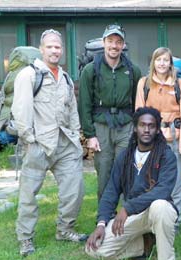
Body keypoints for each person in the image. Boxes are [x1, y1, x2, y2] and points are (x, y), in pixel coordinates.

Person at [12, 29, 87, 256]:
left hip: (64, 143)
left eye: (58, 47)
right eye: (50, 47)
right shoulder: (29, 74)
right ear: (42, 49)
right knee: (29, 194)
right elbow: (21, 108)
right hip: (38, 144)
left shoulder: (64, 77)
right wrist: (28, 137)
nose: (55, 50)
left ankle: (65, 229)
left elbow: (72, 108)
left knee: (75, 188)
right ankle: (25, 239)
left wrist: (76, 134)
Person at [85, 107, 178, 260]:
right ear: (135, 127)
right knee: (94, 249)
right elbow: (111, 191)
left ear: (158, 130)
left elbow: (163, 191)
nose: (147, 129)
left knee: (160, 206)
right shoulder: (125, 157)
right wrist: (101, 223)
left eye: (151, 126)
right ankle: (145, 244)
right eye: (142, 125)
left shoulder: (166, 155)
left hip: (156, 212)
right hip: (134, 216)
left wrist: (127, 208)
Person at [78, 24, 141, 201]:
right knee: (104, 172)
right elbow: (84, 104)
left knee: (127, 170)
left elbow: (138, 102)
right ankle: (105, 218)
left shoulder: (133, 70)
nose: (114, 46)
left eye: (118, 42)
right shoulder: (91, 70)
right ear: (104, 42)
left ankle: (129, 218)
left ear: (123, 45)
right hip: (101, 127)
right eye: (111, 41)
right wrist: (90, 134)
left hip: (125, 126)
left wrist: (136, 129)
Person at [135, 47, 181, 231]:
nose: (162, 63)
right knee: (150, 179)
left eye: (165, 60)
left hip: (173, 137)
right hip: (152, 138)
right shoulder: (144, 84)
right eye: (158, 60)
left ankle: (175, 218)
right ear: (153, 63)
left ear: (170, 63)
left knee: (174, 180)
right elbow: (139, 113)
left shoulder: (179, 85)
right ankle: (152, 217)